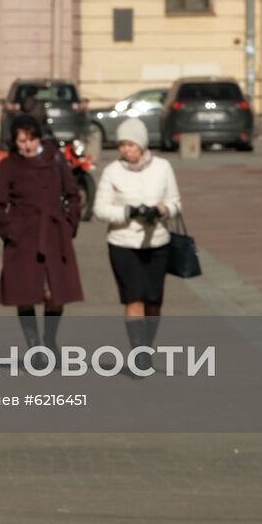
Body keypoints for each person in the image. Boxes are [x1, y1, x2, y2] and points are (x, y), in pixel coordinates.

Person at [91, 117, 182, 367]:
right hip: (122, 243)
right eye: (122, 145)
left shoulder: (163, 168)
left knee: (153, 301)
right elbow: (99, 210)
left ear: (142, 145)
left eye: (131, 145)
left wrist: (162, 210)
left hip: (157, 243)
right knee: (134, 298)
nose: (126, 150)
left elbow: (176, 202)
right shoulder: (112, 172)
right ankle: (138, 353)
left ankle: (147, 346)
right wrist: (127, 212)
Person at [0, 114, 83, 351]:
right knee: (25, 292)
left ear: (39, 138)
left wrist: (69, 224)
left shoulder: (55, 160)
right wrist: (11, 232)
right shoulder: (9, 165)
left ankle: (50, 339)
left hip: (53, 234)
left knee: (54, 293)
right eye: (21, 141)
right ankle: (33, 345)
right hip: (23, 237)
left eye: (31, 139)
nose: (27, 146)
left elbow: (72, 194)